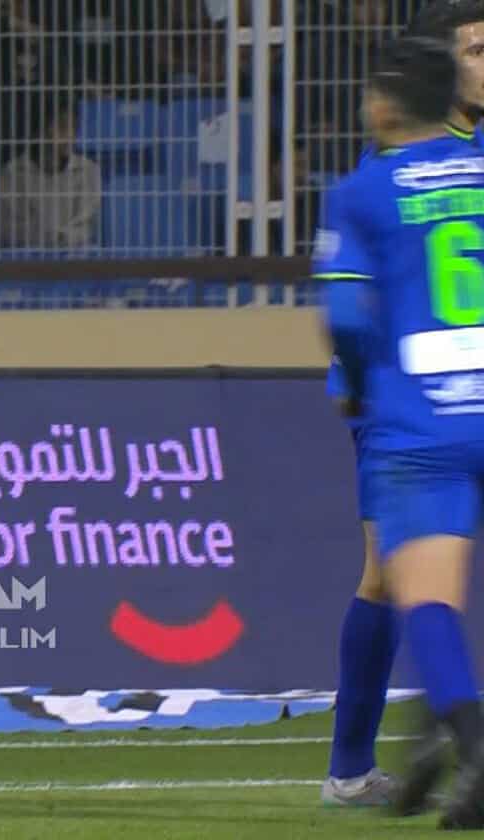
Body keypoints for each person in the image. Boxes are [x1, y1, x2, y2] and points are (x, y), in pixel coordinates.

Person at [316, 0, 484, 809]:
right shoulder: (407, 154)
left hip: (424, 400)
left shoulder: (401, 167)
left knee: (416, 580)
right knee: (392, 576)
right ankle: (364, 760)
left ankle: (435, 734)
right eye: (476, 51)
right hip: (408, 397)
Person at [0, 96, 102, 250]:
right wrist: (53, 238)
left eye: (74, 127)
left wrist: (61, 238)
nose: (70, 135)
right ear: (39, 131)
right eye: (62, 127)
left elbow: (88, 227)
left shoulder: (89, 171)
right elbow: (9, 231)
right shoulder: (11, 174)